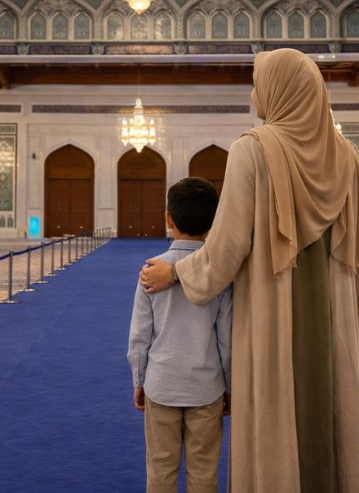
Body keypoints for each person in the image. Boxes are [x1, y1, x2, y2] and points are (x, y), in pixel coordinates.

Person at [139, 48, 359, 493]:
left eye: (259, 84)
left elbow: (226, 248)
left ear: (280, 91)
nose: (253, 95)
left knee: (277, 410)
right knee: (327, 410)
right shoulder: (346, 155)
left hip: (274, 314)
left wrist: (176, 273)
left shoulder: (253, 149)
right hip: (332, 319)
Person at [127, 177, 233, 493]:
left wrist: (139, 380)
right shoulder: (220, 274)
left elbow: (139, 335)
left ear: (168, 218)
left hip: (161, 385)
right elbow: (226, 337)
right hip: (207, 387)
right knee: (203, 474)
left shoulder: (151, 269)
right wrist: (230, 386)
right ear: (213, 221)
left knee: (160, 471)